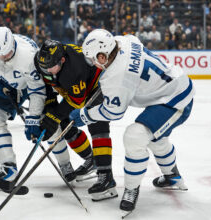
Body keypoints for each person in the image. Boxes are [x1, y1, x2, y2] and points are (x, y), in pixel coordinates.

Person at [70, 29, 194, 214]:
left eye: (94, 59)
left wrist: (84, 115)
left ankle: (131, 189)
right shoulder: (123, 41)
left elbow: (113, 112)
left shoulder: (118, 78)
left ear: (103, 57)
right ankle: (173, 177)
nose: (93, 63)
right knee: (156, 138)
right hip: (173, 86)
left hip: (175, 99)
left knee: (135, 136)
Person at [0, 27, 76, 191]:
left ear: (13, 46)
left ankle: (65, 164)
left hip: (33, 86)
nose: (2, 58)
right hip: (8, 84)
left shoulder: (28, 57)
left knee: (49, 126)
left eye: (7, 54)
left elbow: (37, 90)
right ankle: (8, 167)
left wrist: (34, 119)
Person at [34, 40, 117, 201]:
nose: (47, 70)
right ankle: (91, 159)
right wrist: (51, 106)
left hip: (98, 86)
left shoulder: (74, 70)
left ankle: (106, 177)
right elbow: (46, 82)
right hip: (77, 88)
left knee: (97, 123)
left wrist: (54, 115)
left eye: (50, 67)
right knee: (64, 123)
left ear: (62, 60)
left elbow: (76, 101)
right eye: (44, 67)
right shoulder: (46, 61)